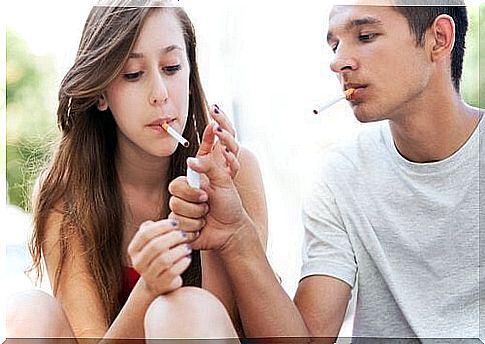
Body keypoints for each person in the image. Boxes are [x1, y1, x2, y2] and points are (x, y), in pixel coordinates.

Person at [168, 0, 483, 341]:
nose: (337, 62)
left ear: (438, 38)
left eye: (365, 36)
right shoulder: (343, 175)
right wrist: (235, 233)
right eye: (334, 45)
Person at [6, 0, 268, 341]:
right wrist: (148, 289)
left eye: (172, 68)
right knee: (30, 312)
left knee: (186, 307)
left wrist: (213, 218)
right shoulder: (66, 194)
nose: (160, 94)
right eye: (133, 74)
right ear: (100, 93)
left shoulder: (235, 169)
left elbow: (219, 324)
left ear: (190, 75)